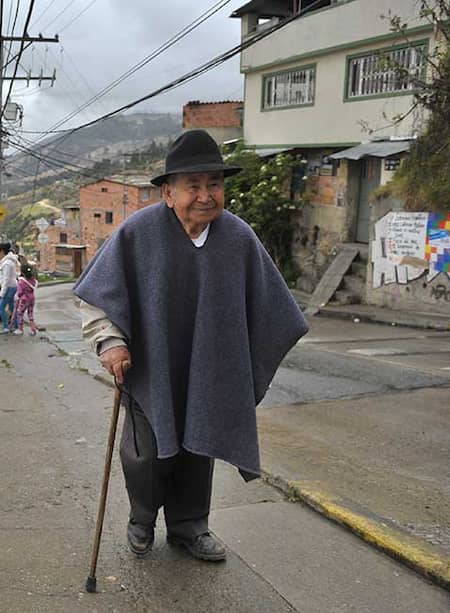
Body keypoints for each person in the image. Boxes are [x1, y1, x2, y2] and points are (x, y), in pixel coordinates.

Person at [74, 130, 308, 562]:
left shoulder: (238, 238)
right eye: (193, 186)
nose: (206, 196)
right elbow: (98, 296)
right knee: (148, 453)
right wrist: (109, 342)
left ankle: (189, 527)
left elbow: (274, 308)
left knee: (198, 444)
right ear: (167, 192)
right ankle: (142, 519)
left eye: (214, 184)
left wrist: (244, 364)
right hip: (148, 367)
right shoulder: (138, 233)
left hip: (210, 371)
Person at [0, 242, 19, 334]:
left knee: (1, 307)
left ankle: (6, 327)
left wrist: (2, 292)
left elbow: (6, 279)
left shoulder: (7, 264)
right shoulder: (9, 261)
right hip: (12, 286)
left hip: (9, 288)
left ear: (2, 251)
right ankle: (16, 326)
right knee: (12, 308)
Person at [12, 264, 38, 336]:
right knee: (30, 314)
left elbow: (20, 292)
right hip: (32, 298)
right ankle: (33, 329)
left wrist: (17, 296)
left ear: (22, 272)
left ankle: (20, 329)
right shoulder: (33, 281)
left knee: (20, 313)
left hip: (24, 299)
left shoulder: (21, 281)